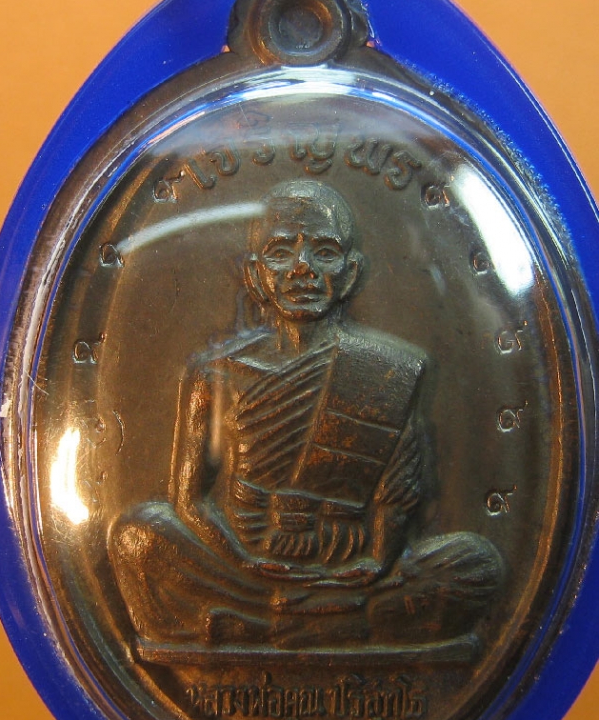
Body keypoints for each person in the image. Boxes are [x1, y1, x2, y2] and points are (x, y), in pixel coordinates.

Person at [109, 180, 503, 651]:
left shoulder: (385, 373)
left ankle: (262, 625)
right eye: (280, 252)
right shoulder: (216, 373)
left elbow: (396, 496)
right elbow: (188, 502)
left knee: (474, 564)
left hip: (350, 569)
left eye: (324, 252)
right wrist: (245, 560)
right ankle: (333, 623)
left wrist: (377, 562)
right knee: (138, 536)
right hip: (242, 566)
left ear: (351, 274)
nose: (302, 268)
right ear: (255, 275)